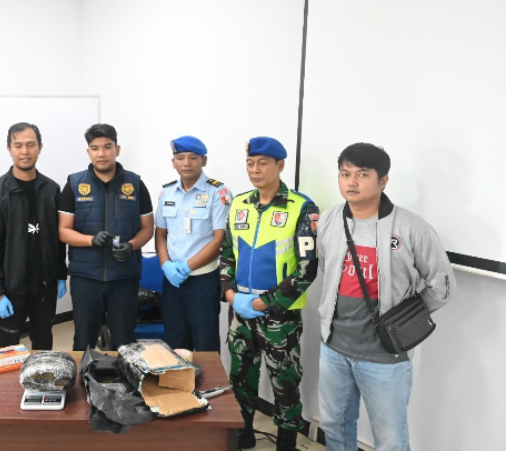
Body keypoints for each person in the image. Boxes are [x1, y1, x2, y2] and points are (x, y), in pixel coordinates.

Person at [316, 143, 456, 451]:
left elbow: (442, 286)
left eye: (362, 174)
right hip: (334, 348)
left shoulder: (412, 228)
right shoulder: (329, 220)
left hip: (385, 356)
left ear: (383, 180)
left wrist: (406, 321)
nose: (352, 182)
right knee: (334, 426)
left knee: (390, 440)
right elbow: (327, 267)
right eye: (345, 174)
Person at [219, 137, 319, 450]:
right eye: (250, 163)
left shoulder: (301, 207)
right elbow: (227, 255)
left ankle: (286, 443)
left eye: (263, 163)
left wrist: (264, 302)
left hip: (279, 315)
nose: (255, 169)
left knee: (284, 384)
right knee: (240, 379)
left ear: (280, 165)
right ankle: (244, 435)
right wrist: (231, 295)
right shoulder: (239, 204)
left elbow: (307, 269)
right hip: (240, 309)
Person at [58, 123, 154, 351]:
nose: (101, 153)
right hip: (86, 277)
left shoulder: (136, 184)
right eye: (95, 148)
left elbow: (147, 228)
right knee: (84, 341)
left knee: (125, 342)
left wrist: (131, 245)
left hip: (124, 277)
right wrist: (91, 240)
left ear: (117, 149)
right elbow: (63, 231)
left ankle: (125, 375)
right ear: (88, 151)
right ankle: (84, 375)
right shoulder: (74, 184)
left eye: (107, 147)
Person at [0, 122, 68, 349]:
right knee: (7, 351)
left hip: (45, 286)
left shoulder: (51, 189)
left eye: (30, 145)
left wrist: (60, 274)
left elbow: (59, 239)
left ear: (40, 147)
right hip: (11, 290)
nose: (25, 151)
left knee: (43, 347)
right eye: (18, 145)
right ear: (9, 149)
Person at [155, 135, 231, 352]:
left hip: (203, 281)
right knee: (175, 345)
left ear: (204, 161)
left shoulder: (218, 192)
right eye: (180, 158)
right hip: (172, 281)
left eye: (193, 158)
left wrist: (188, 266)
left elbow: (219, 239)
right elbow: (160, 234)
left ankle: (208, 379)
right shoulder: (167, 192)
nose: (186, 163)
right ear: (173, 162)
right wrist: (166, 265)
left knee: (205, 345)